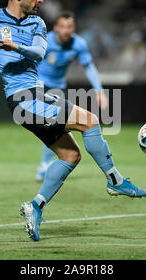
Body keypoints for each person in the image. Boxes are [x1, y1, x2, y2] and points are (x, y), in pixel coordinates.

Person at [0, 0, 146, 242]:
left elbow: (38, 53)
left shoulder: (37, 22)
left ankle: (35, 206)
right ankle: (115, 180)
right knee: (91, 121)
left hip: (40, 94)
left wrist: (16, 46)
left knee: (71, 156)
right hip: (22, 100)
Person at [34, 11, 108, 182]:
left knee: (57, 127)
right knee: (52, 125)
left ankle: (45, 165)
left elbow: (89, 67)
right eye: (63, 27)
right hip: (40, 86)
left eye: (70, 27)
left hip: (59, 88)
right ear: (56, 28)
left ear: (73, 28)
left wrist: (99, 90)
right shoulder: (44, 40)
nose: (66, 31)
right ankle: (45, 165)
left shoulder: (79, 44)